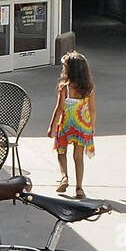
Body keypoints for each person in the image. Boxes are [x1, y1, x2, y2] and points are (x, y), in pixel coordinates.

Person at [48, 50, 96, 199]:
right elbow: (92, 110)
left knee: (61, 150)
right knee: (78, 156)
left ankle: (64, 177)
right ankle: (79, 189)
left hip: (67, 124)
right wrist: (91, 127)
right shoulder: (89, 89)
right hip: (82, 125)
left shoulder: (65, 88)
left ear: (69, 70)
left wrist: (52, 127)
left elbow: (59, 108)